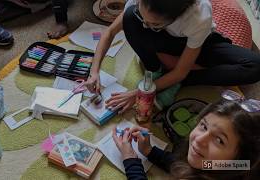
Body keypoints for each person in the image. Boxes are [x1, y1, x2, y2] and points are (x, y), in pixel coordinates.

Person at [84, 0, 260, 113]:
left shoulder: (198, 16)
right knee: (129, 17)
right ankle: (158, 70)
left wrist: (138, 93)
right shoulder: (140, 5)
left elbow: (181, 72)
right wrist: (94, 72)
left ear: (176, 17)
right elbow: (110, 32)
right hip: (161, 41)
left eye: (154, 23)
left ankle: (175, 80)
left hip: (199, 42)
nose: (145, 24)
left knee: (255, 66)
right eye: (143, 16)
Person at [113, 99, 260, 179]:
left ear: (240, 156)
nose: (199, 139)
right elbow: (186, 167)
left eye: (219, 140)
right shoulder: (235, 166)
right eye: (203, 126)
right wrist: (150, 151)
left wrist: (130, 159)